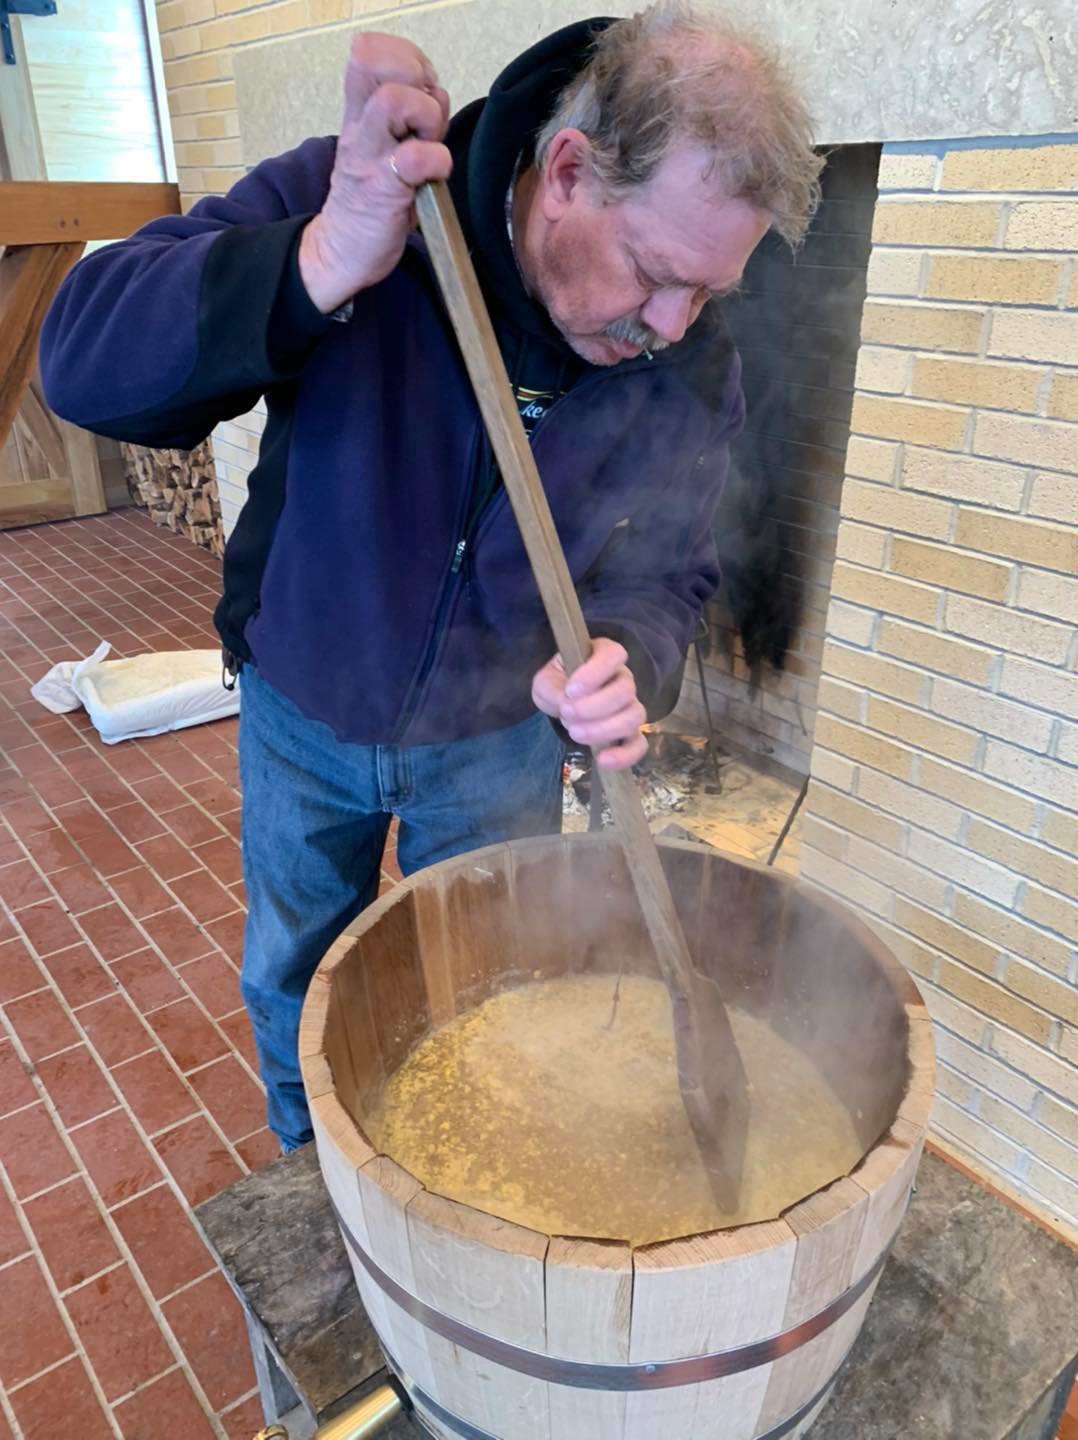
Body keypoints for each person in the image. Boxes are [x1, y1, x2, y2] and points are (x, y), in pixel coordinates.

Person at [40, 2, 823, 1151]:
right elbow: (81, 362)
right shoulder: (368, 203)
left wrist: (622, 654)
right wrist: (315, 262)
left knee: (497, 989)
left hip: (498, 742)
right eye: (655, 271)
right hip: (305, 700)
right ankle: (315, 1180)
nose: (671, 322)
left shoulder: (687, 369)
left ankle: (474, 1198)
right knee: (297, 975)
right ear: (566, 170)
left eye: (707, 290)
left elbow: (670, 576)